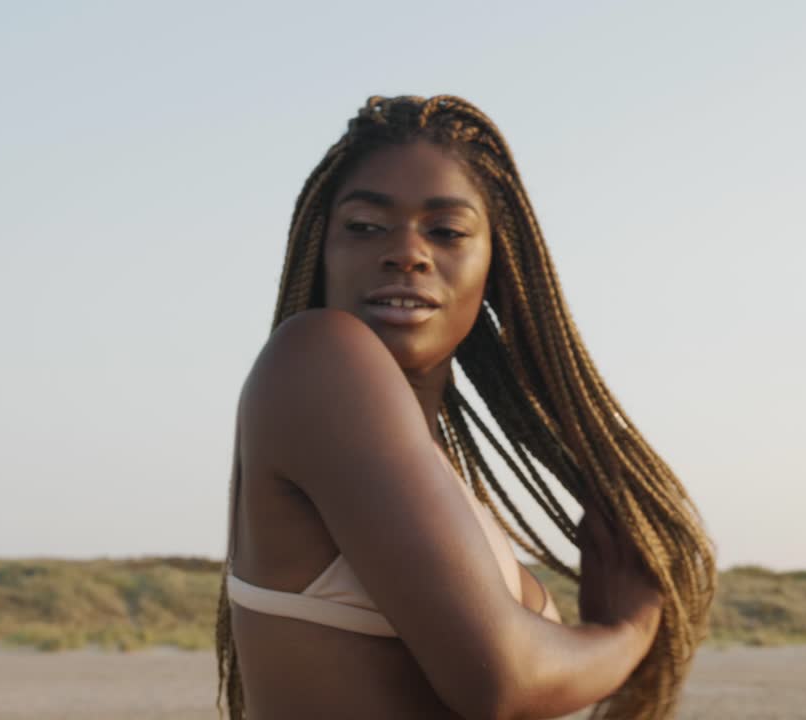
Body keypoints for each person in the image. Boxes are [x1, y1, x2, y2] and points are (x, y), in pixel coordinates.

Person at [215, 95, 716, 719]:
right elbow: (503, 679)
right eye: (365, 226)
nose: (407, 252)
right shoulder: (318, 358)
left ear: (496, 264)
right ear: (321, 250)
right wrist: (627, 631)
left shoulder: (435, 467)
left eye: (447, 231)